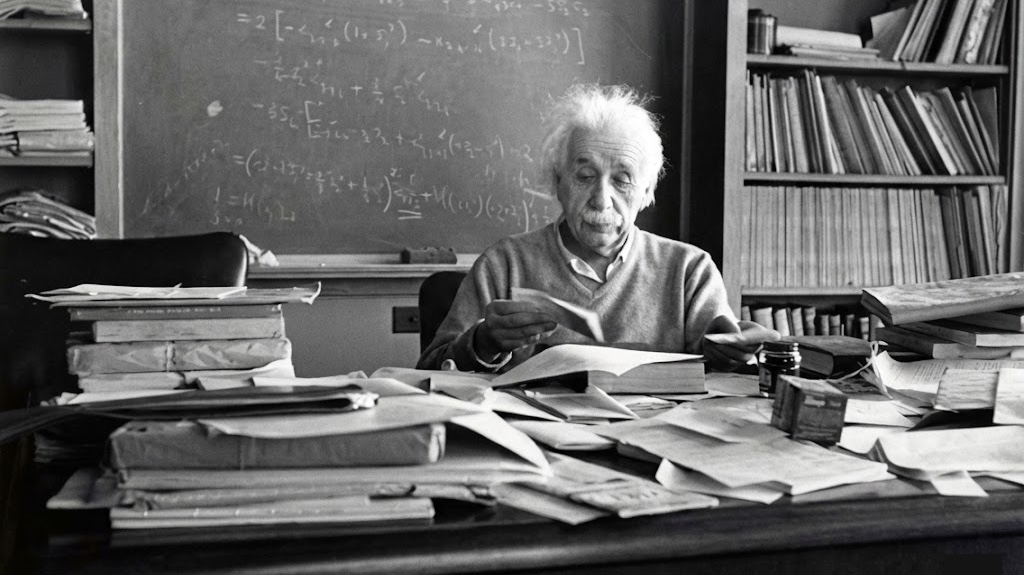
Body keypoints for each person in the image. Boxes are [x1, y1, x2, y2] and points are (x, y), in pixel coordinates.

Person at [417, 83, 777, 373]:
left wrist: (733, 355)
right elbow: (430, 373)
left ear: (647, 193)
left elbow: (726, 378)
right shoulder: (504, 264)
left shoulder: (689, 271)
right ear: (557, 182)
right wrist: (483, 343)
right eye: (585, 176)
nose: (602, 200)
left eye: (622, 180)